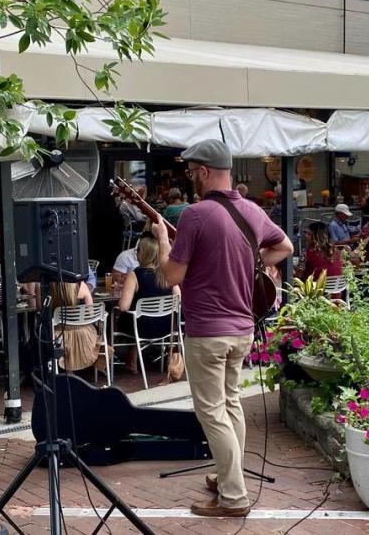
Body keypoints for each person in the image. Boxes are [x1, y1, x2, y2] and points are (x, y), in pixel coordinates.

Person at [152, 138, 292, 518]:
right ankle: (226, 475)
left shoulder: (195, 215)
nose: (191, 177)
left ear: (204, 171)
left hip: (207, 331)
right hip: (242, 329)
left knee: (212, 412)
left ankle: (234, 496)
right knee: (230, 405)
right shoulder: (252, 211)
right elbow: (285, 247)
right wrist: (253, 263)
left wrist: (163, 242)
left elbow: (172, 274)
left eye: (192, 170)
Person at [116, 235, 178, 375]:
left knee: (116, 318)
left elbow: (124, 306)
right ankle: (133, 359)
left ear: (143, 253)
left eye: (138, 250)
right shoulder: (166, 273)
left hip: (142, 327)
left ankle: (109, 360)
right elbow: (178, 297)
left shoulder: (135, 275)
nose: (136, 253)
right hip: (166, 326)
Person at [50, 281, 106, 374]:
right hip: (85, 337)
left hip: (58, 338)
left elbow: (41, 309)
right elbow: (91, 313)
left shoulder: (49, 287)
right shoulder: (81, 286)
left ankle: (63, 370)